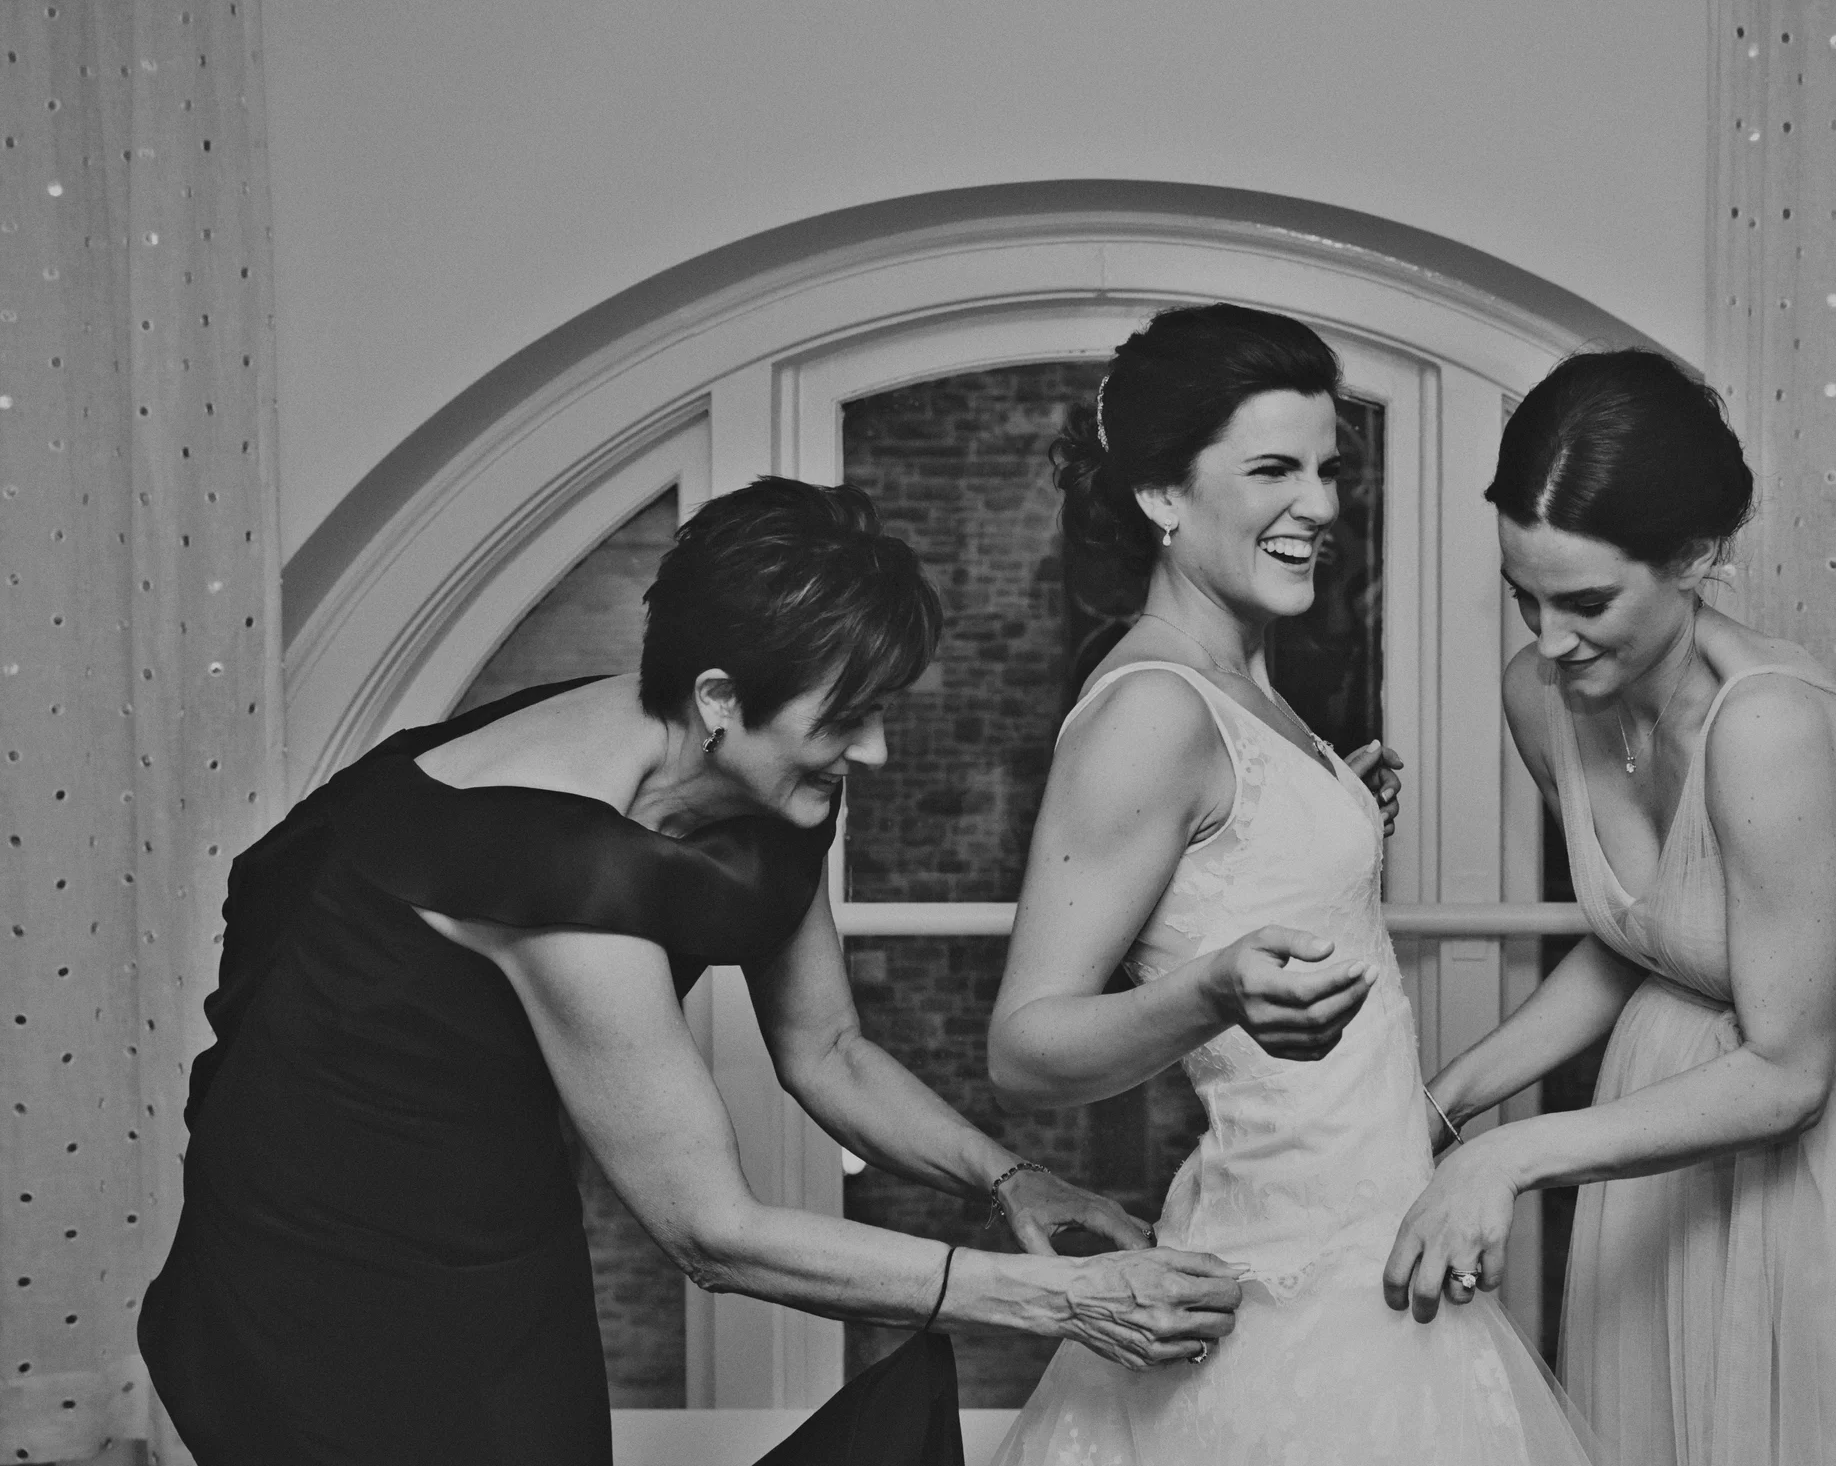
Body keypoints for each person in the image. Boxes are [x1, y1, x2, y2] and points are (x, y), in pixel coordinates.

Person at [138, 479, 1244, 1466]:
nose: (872, 750)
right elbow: (710, 1231)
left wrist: (1008, 1179)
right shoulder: (555, 862)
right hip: (323, 1269)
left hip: (499, 1220)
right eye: (845, 718)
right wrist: (1062, 1300)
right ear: (719, 697)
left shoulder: (760, 774)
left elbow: (828, 1050)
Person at [1379, 350, 1836, 1464]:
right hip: (1677, 1128)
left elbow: (1791, 1073)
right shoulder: (1542, 695)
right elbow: (1650, 934)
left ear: (1696, 557)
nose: (1550, 640)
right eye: (1525, 596)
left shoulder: (1764, 729)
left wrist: (1504, 1157)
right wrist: (1446, 1103)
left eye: (1586, 602)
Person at [983, 305, 1600, 1466]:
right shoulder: (1151, 709)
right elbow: (1023, 1049)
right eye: (1273, 470)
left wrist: (1325, 817)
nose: (1318, 505)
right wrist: (1210, 990)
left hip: (1373, 1235)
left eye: (1326, 469)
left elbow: (1230, 868)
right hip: (1285, 1276)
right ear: (1161, 494)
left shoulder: (1243, 684)